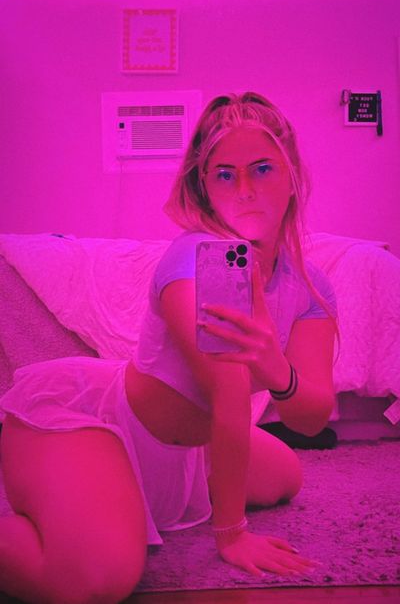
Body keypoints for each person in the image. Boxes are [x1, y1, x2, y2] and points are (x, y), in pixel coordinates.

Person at [0, 92, 337, 604]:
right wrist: (231, 535)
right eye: (225, 175)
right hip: (100, 423)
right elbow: (227, 395)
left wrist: (277, 368)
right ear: (205, 188)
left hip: (189, 449)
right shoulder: (207, 258)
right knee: (96, 577)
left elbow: (311, 416)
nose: (245, 190)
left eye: (262, 169)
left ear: (292, 176)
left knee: (286, 475)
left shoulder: (309, 286)